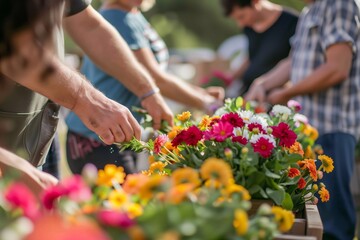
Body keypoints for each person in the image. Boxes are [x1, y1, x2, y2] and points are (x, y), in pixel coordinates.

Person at [0, 0, 173, 181]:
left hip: (32, 138)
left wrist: (148, 92)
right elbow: (13, 50)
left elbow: (89, 25)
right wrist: (86, 99)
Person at [65, 0, 225, 175]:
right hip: (99, 139)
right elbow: (155, 78)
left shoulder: (131, 14)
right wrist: (208, 103)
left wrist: (200, 93)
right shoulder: (117, 17)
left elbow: (156, 76)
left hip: (119, 134)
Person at [245, 0, 360, 239]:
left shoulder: (339, 4)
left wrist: (287, 93)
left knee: (333, 226)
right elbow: (293, 60)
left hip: (332, 128)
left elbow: (338, 67)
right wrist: (263, 82)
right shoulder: (311, 11)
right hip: (310, 130)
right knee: (315, 219)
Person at [219, 0, 298, 96]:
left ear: (255, 2)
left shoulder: (293, 23)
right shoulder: (249, 26)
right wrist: (230, 77)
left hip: (270, 97)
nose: (240, 24)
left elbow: (294, 64)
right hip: (246, 92)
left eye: (241, 16)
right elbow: (253, 56)